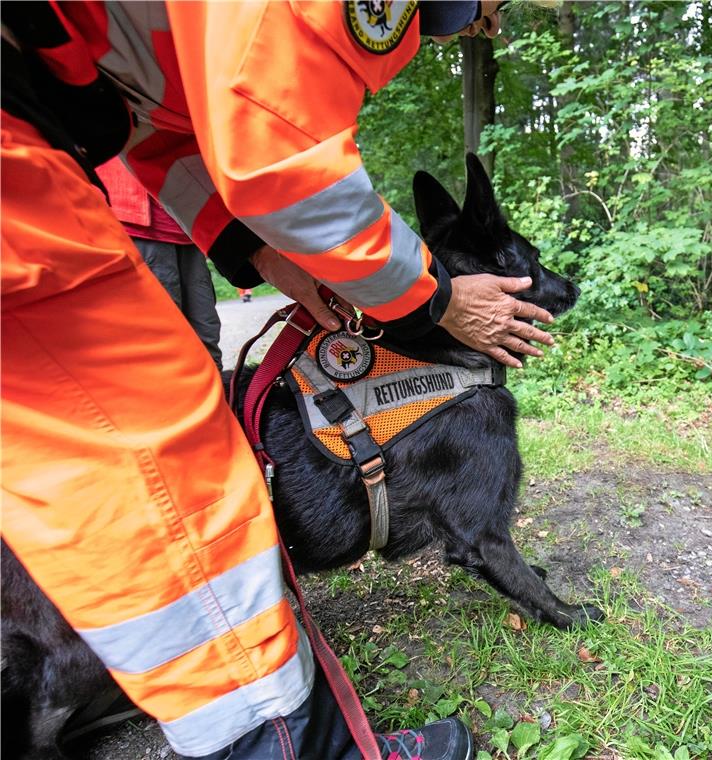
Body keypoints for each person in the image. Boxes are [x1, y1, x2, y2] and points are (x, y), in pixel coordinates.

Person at [1, 2, 545, 759]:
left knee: (50, 464)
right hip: (16, 158)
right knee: (160, 456)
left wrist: (260, 253)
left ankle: (58, 687)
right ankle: (292, 746)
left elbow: (166, 127)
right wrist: (437, 302)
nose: (491, 22)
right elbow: (278, 143)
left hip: (38, 119)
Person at [97, 157, 224, 371]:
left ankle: (219, 397)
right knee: (164, 334)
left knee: (206, 330)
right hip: (135, 219)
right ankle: (178, 399)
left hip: (187, 223)